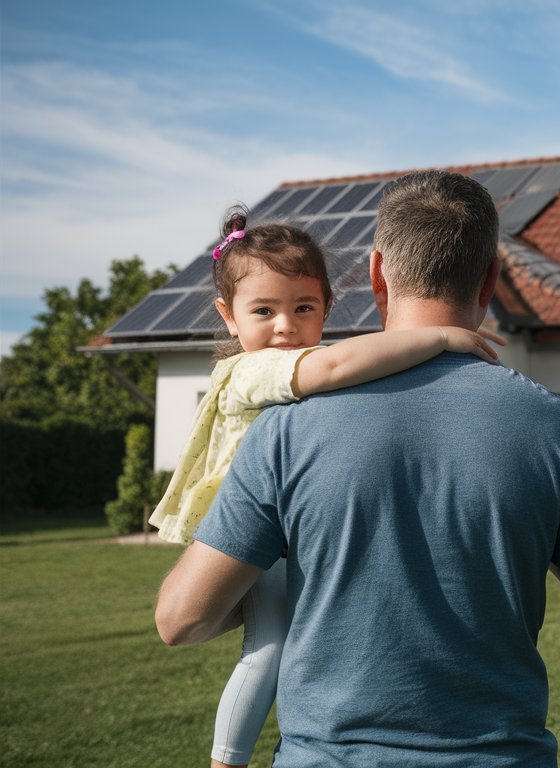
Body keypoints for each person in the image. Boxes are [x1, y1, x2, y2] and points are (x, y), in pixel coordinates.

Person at [156, 170, 560, 766]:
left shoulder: (286, 425)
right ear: (492, 276)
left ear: (375, 275)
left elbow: (181, 619)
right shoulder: (557, 427)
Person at [150, 206, 504, 768]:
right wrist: (439, 336)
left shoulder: (291, 360)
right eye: (263, 310)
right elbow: (337, 368)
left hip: (281, 534)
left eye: (303, 308)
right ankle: (227, 760)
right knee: (267, 651)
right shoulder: (252, 370)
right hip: (248, 538)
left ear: (327, 308)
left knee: (293, 644)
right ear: (229, 316)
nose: (285, 326)